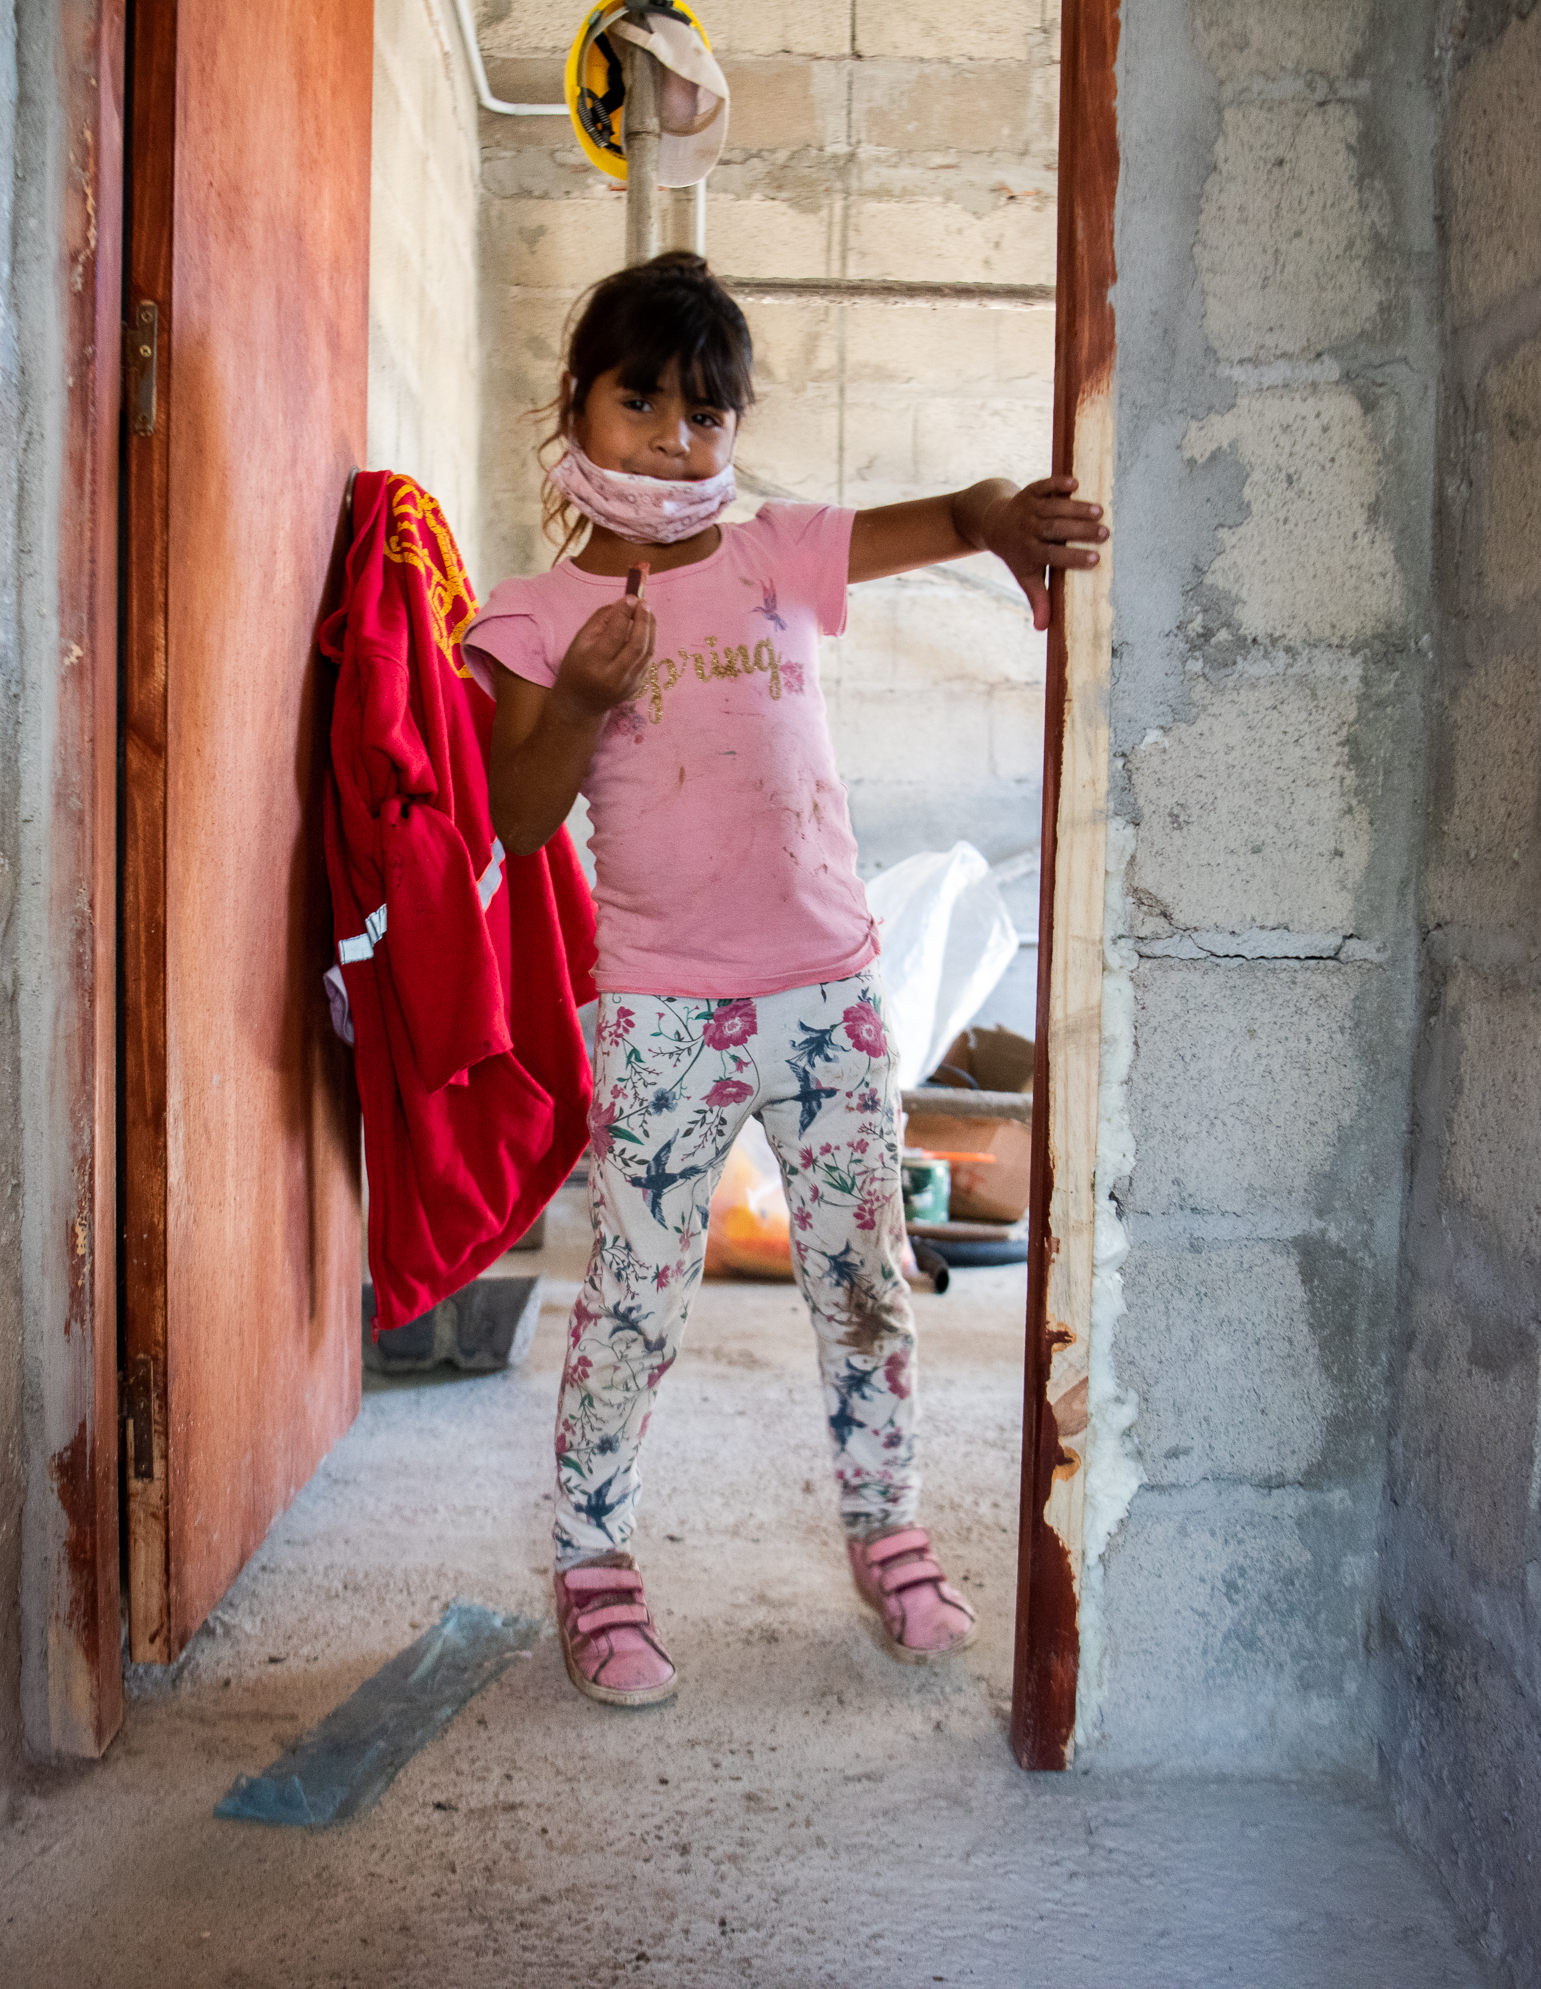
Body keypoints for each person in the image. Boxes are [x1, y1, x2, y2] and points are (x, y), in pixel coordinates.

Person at [464, 251, 1105, 1708]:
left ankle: (889, 1531)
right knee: (634, 1296)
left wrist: (996, 512)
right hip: (663, 1015)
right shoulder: (534, 614)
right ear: (578, 404)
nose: (673, 442)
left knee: (865, 1281)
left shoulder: (772, 556)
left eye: (706, 416)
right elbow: (516, 820)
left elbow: (940, 519)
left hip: (829, 997)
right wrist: (583, 700)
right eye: (640, 404)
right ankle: (592, 1564)